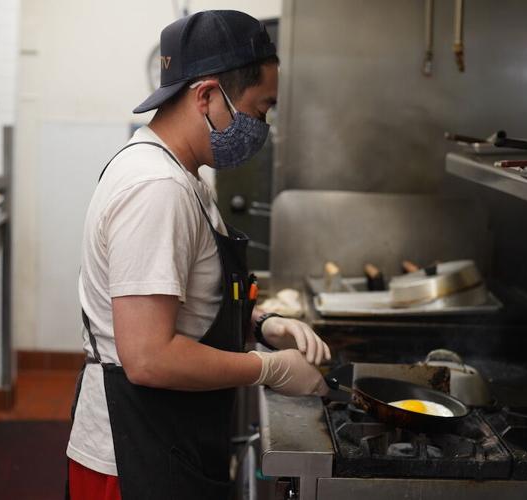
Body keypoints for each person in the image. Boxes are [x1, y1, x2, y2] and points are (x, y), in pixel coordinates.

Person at [66, 10, 331, 500]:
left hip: (168, 438)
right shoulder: (155, 189)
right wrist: (266, 368)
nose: (263, 125)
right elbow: (148, 357)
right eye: (260, 108)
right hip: (132, 457)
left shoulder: (182, 173)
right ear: (207, 96)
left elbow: (190, 304)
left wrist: (260, 324)